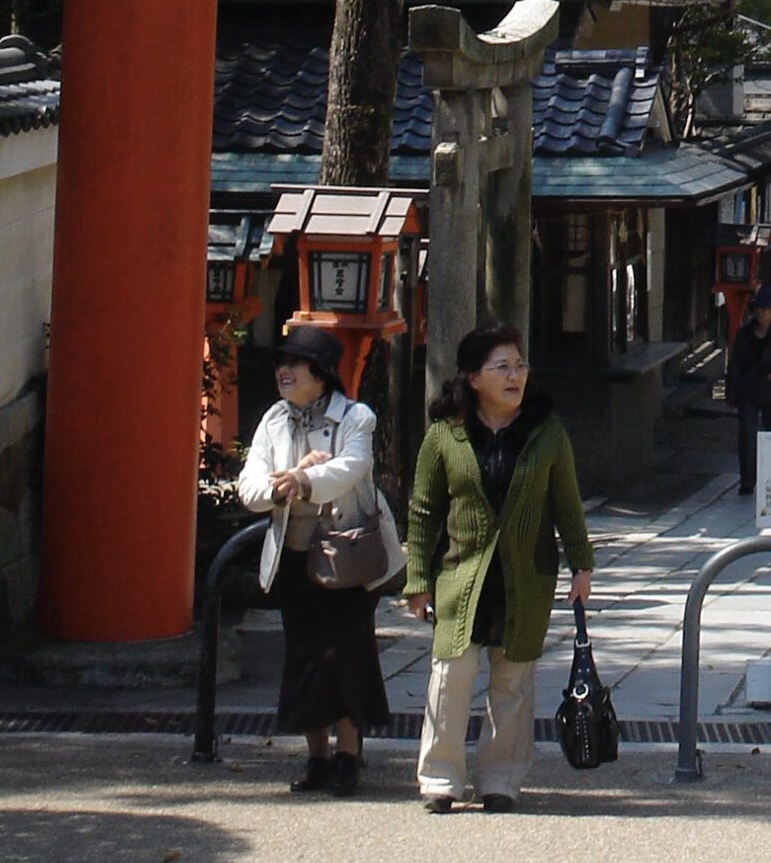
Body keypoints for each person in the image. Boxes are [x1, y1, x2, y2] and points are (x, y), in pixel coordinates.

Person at [401, 321, 594, 814]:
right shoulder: (446, 435)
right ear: (472, 377)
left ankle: (501, 779)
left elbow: (567, 504)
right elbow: (423, 511)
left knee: (513, 682)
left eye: (520, 365)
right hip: (461, 576)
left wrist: (581, 565)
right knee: (450, 676)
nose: (515, 376)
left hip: (524, 577)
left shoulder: (547, 433)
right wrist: (418, 580)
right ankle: (441, 778)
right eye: (502, 367)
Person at [237, 323, 392, 795]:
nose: (284, 371)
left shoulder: (356, 418)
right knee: (303, 656)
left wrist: (306, 481)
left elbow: (352, 468)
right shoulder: (274, 420)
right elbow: (251, 486)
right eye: (281, 363)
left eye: (295, 364)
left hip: (345, 554)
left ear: (321, 373)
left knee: (346, 652)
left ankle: (349, 753)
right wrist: (284, 483)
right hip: (294, 555)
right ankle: (317, 755)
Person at [726, 287, 771, 495]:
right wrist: (731, 393)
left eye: (765, 309)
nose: (761, 313)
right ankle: (747, 480)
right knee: (747, 436)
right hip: (748, 391)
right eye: (758, 308)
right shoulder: (744, 333)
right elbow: (735, 364)